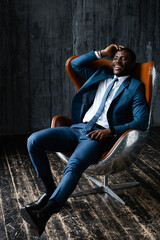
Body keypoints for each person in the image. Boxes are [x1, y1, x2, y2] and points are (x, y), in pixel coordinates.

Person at [20, 44, 149, 236]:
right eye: (116, 57)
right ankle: (49, 191)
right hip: (78, 128)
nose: (118, 61)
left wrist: (110, 131)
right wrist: (102, 53)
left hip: (98, 136)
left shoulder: (136, 87)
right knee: (34, 141)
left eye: (124, 59)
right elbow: (75, 64)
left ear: (132, 64)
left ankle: (44, 214)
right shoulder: (102, 73)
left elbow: (141, 121)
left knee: (74, 165)